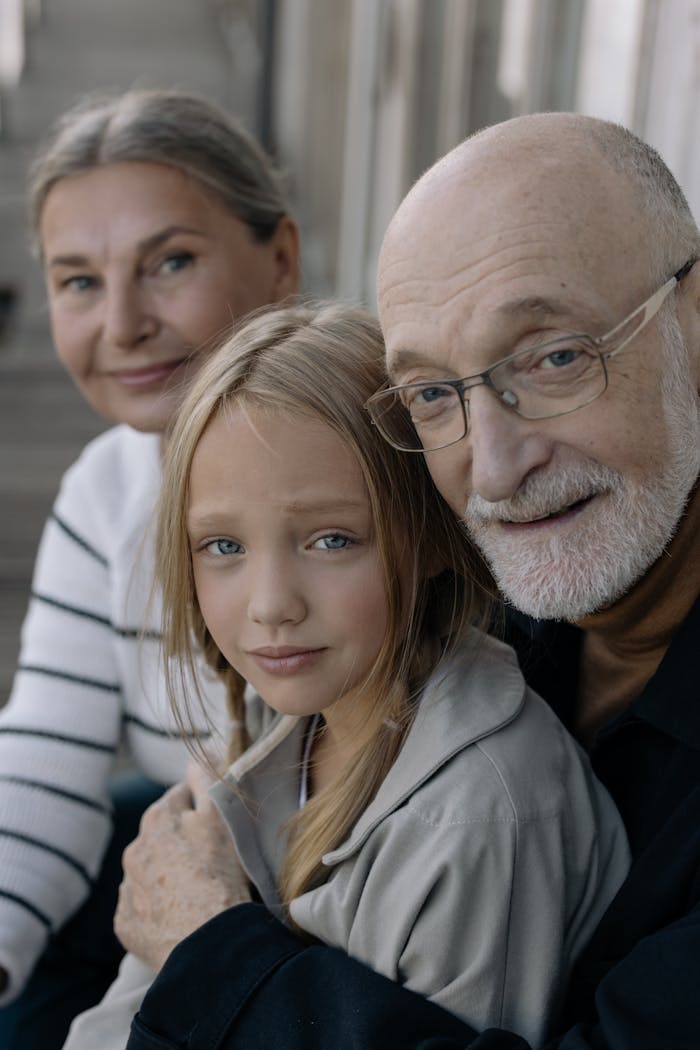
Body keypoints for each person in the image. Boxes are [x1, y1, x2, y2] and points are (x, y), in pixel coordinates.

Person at [115, 113, 700, 1050]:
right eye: (433, 393)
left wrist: (215, 956)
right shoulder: (435, 612)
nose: (494, 466)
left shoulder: (491, 790)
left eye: (555, 357)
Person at [63, 302, 627, 1049]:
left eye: (332, 539)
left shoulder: (479, 816)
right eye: (223, 546)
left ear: (428, 536)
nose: (271, 606)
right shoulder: (299, 724)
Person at [0, 87, 300, 1049]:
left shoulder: (383, 466)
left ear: (281, 260)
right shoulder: (106, 489)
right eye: (79, 280)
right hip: (200, 876)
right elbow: (43, 761)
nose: (122, 323)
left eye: (170, 262)